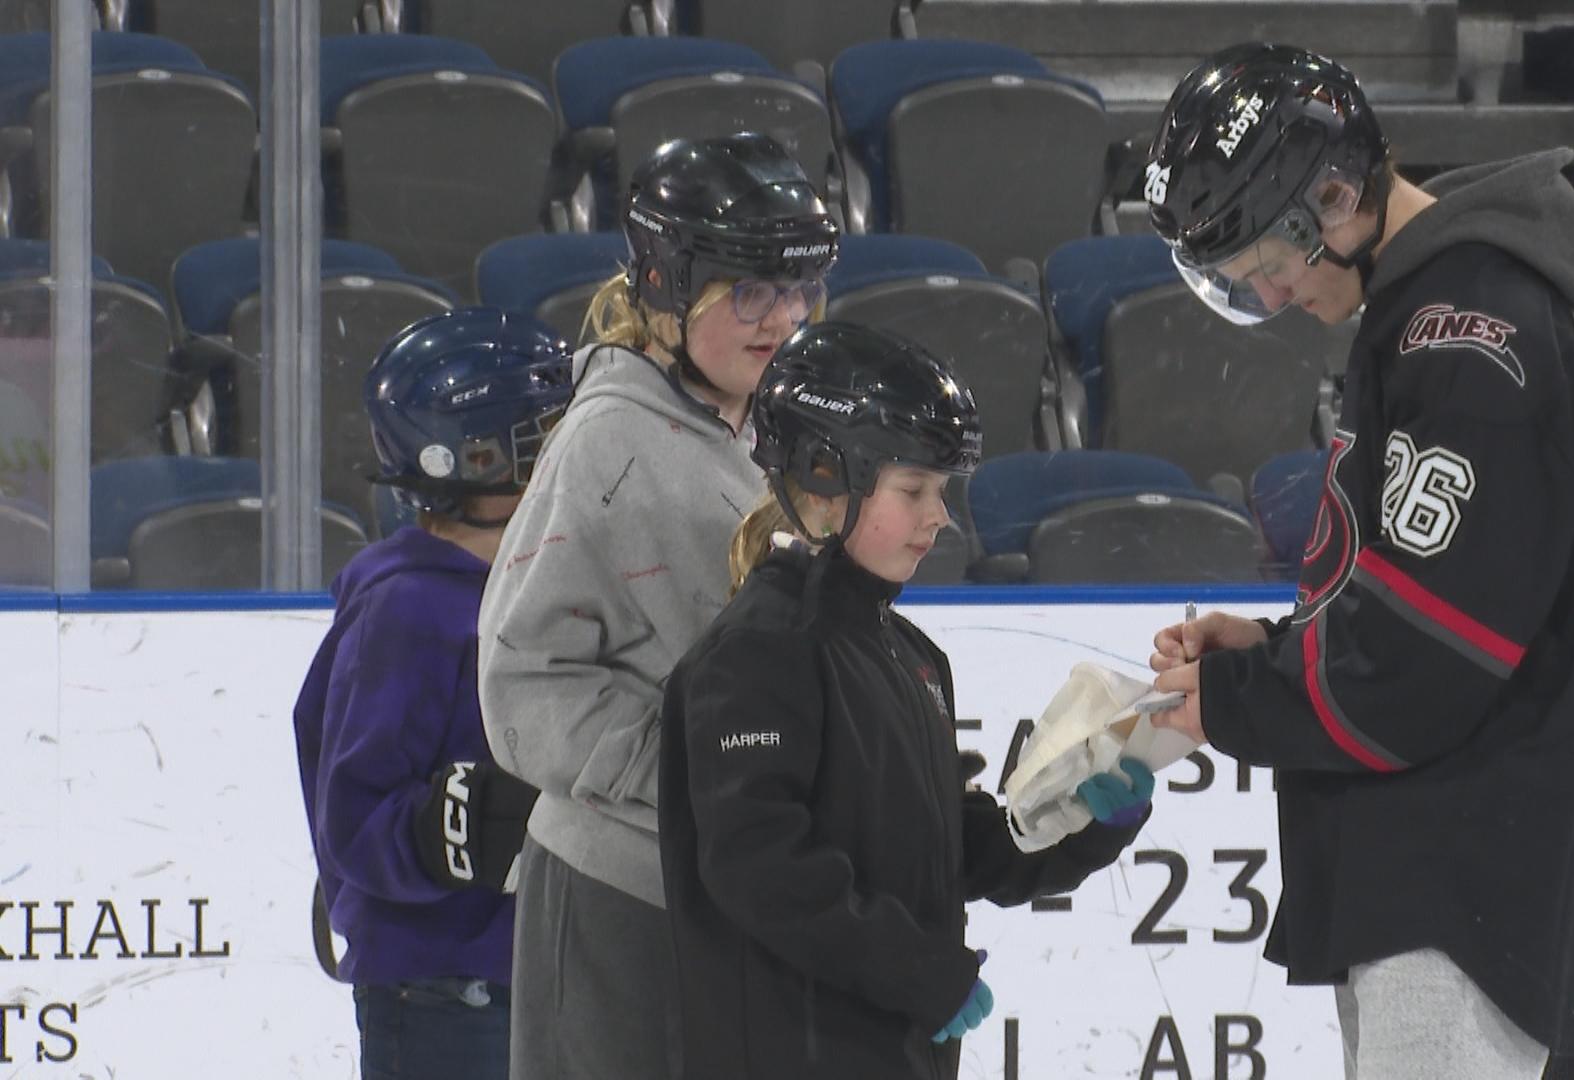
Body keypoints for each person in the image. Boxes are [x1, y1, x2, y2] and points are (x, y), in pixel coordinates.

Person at [1139, 42, 1574, 1078]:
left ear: (1332, 196)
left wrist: (1238, 697)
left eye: (1269, 266)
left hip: (1461, 883)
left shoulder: (1467, 340)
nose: (1270, 300)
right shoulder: (1421, 316)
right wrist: (1282, 643)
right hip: (1440, 871)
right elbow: (1417, 597)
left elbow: (1420, 663)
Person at [657, 322, 1155, 1080]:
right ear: (825, 477)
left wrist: (1078, 821)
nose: (940, 517)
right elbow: (761, 871)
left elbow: (946, 852)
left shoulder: (911, 657)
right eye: (914, 489)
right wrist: (920, 975)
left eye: (942, 490)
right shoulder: (757, 654)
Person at [474, 132, 838, 1080]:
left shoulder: (758, 428)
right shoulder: (607, 445)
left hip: (723, 888)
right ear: (668, 287)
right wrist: (691, 780)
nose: (783, 317)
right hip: (617, 900)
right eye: (750, 291)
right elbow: (521, 683)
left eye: (798, 289)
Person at [292, 307, 574, 1080]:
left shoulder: (537, 585)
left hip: (539, 976)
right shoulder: (407, 607)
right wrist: (446, 830)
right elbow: (351, 816)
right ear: (474, 457)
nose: (565, 451)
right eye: (541, 435)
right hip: (446, 993)